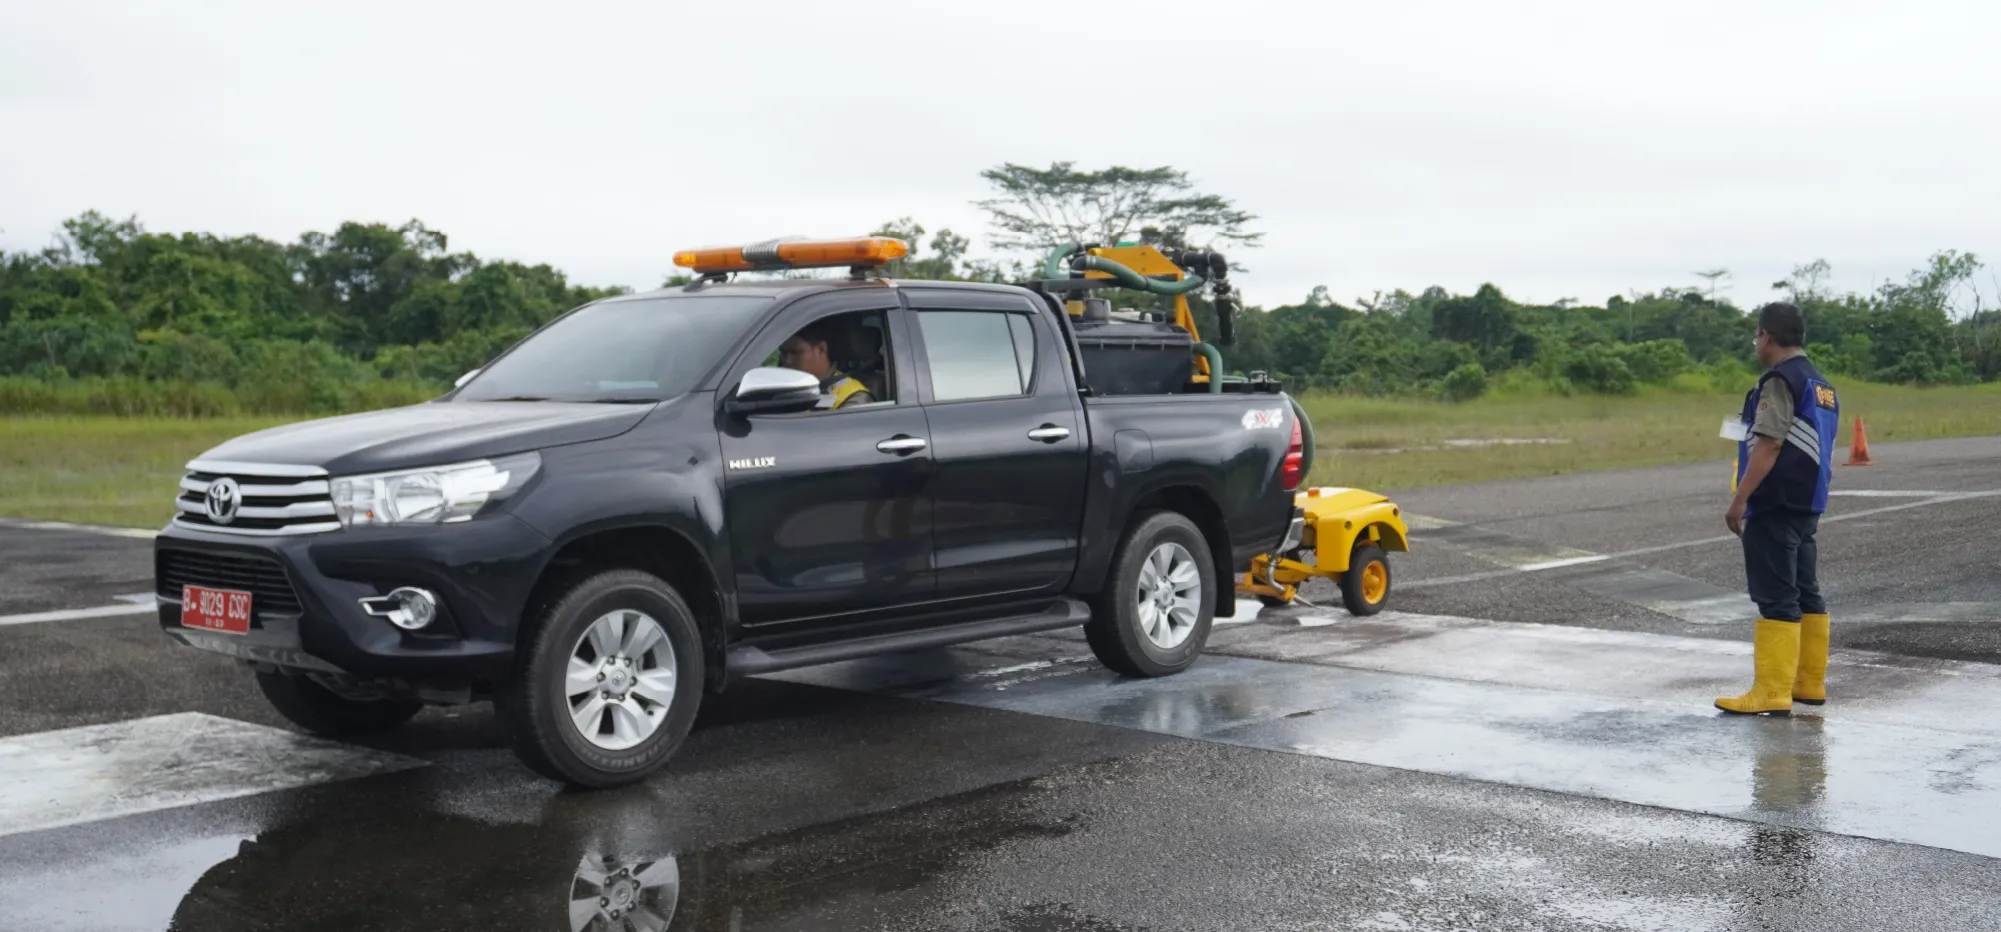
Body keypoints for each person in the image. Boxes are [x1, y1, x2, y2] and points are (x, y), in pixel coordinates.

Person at [1717, 302, 1840, 716]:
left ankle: (1771, 690)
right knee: (1806, 591)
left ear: (1767, 336)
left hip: (1776, 501)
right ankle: (1808, 682)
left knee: (1775, 596)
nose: (1756, 342)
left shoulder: (1779, 380)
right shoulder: (1821, 384)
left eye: (1757, 335)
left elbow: (1769, 443)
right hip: (1808, 502)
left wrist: (1741, 499)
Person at [778, 318, 873, 409]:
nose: (786, 360)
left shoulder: (853, 398)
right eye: (783, 352)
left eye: (795, 352)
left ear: (821, 349)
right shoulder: (781, 388)